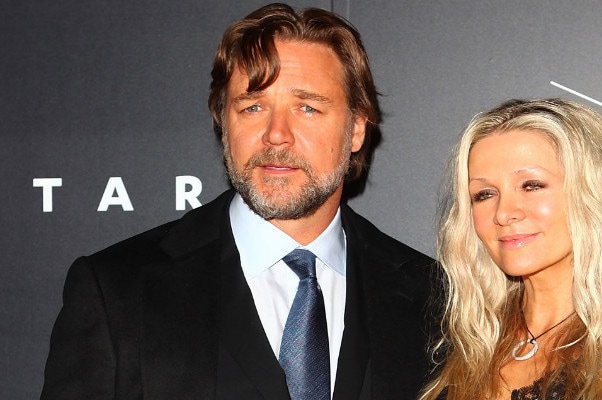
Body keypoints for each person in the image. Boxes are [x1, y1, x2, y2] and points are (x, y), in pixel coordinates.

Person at [40, 3, 434, 400]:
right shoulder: (118, 291)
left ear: (356, 129)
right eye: (253, 107)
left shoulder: (433, 298)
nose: (276, 134)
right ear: (223, 122)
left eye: (307, 107)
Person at [419, 98, 602, 399]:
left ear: (594, 194)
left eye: (531, 185)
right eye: (484, 194)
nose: (503, 213)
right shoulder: (455, 344)